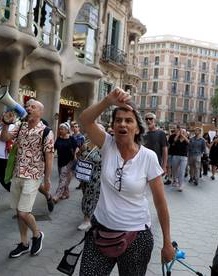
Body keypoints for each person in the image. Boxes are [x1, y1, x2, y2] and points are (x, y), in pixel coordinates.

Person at [79, 88, 175, 275]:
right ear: (113, 126)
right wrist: (108, 100)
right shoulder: (107, 144)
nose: (123, 124)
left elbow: (161, 203)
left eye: (128, 120)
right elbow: (84, 120)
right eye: (118, 120)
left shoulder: (148, 157)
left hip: (136, 237)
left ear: (137, 128)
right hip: (101, 231)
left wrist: (167, 243)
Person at [0, 99, 54, 258]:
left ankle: (37, 235)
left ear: (40, 112)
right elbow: (4, 138)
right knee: (18, 211)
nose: (28, 108)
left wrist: (47, 179)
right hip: (17, 173)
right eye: (27, 106)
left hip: (34, 175)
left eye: (33, 107)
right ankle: (23, 243)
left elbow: (49, 157)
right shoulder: (21, 126)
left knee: (24, 212)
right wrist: (4, 123)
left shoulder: (46, 131)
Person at [77, 133, 103, 231]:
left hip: (97, 177)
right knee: (86, 196)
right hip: (85, 176)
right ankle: (89, 217)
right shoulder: (86, 144)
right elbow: (78, 155)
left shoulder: (103, 147)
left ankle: (87, 220)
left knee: (92, 197)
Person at [52, 123, 77, 203]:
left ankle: (57, 195)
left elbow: (76, 148)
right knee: (62, 178)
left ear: (67, 130)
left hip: (69, 161)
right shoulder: (59, 138)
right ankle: (66, 193)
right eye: (60, 129)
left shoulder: (71, 139)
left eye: (62, 129)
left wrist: (75, 155)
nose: (60, 130)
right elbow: (54, 148)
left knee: (62, 178)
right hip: (60, 161)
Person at [169, 126, 189, 191]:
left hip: (184, 157)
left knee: (182, 171)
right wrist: (178, 135)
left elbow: (188, 142)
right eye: (181, 132)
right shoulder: (176, 138)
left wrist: (183, 135)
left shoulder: (186, 139)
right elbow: (174, 141)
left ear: (185, 133)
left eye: (183, 132)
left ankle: (180, 185)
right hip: (176, 156)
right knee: (174, 170)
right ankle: (175, 180)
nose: (182, 133)